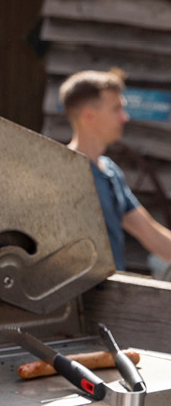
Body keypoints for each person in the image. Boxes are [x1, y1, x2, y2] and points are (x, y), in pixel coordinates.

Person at [60, 69, 171, 272]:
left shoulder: (110, 172)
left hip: (110, 295)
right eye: (116, 109)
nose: (124, 117)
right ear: (88, 116)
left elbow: (150, 234)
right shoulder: (61, 172)